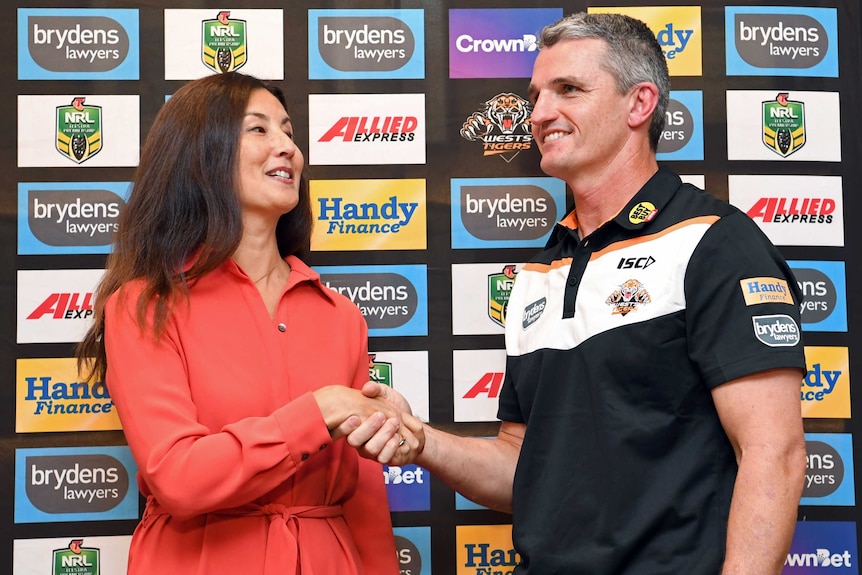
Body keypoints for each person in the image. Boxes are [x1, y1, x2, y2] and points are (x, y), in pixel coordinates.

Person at [353, 12, 807, 575]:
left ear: (639, 104)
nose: (540, 114)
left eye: (568, 90)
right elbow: (523, 468)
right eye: (537, 95)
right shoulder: (540, 272)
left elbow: (774, 454)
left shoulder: (713, 241)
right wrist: (419, 440)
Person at [76, 71, 406, 574]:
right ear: (202, 154)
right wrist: (318, 411)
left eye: (288, 132)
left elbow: (362, 491)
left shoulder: (341, 316)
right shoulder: (145, 306)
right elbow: (180, 478)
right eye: (259, 130)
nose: (287, 148)